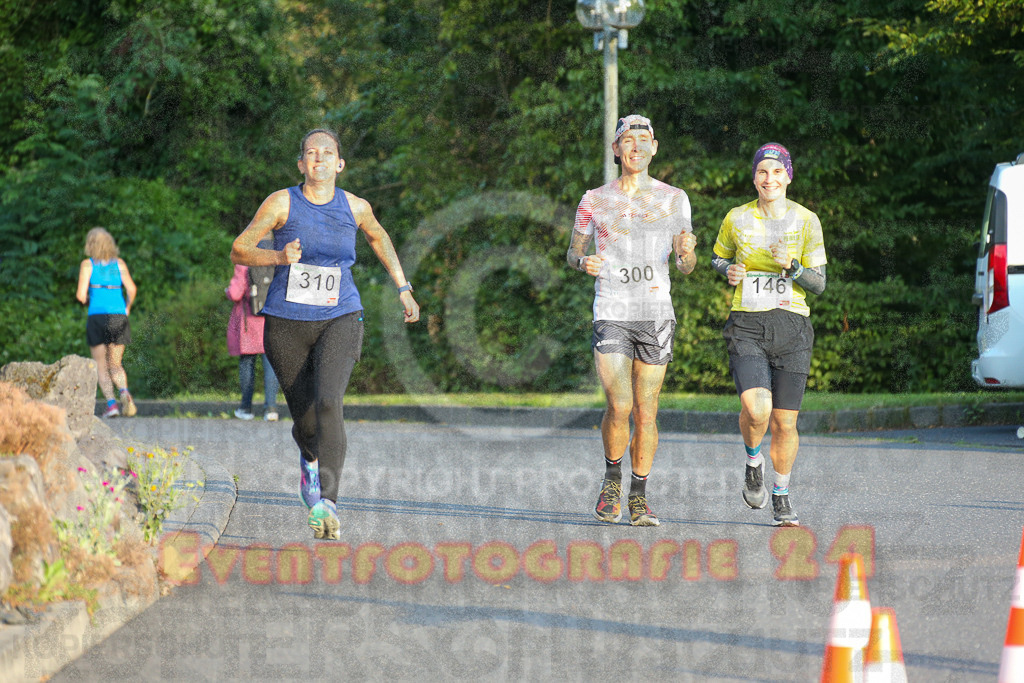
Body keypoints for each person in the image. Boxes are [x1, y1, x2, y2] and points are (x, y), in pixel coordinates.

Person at [231, 128, 420, 540]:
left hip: (341, 315)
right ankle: (309, 458)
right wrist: (278, 256)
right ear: (301, 164)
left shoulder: (355, 206)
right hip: (285, 324)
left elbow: (378, 236)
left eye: (327, 152)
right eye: (310, 153)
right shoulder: (281, 202)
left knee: (330, 403)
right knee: (307, 419)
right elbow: (240, 248)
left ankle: (327, 504)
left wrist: (403, 287)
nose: (318, 158)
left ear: (339, 164)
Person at [566, 115, 697, 527]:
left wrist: (686, 254)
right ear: (617, 150)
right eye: (628, 141)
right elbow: (573, 252)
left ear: (654, 148)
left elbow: (687, 264)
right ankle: (611, 480)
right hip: (612, 309)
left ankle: (638, 495)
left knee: (646, 410)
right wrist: (582, 261)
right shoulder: (594, 199)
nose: (636, 147)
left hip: (656, 312)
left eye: (644, 140)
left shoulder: (674, 199)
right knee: (619, 404)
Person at [710, 142, 827, 526]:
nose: (769, 178)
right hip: (747, 324)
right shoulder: (737, 218)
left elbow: (819, 284)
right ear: (754, 177)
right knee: (757, 409)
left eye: (777, 171)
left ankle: (781, 493)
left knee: (785, 422)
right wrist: (727, 271)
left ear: (788, 176)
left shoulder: (807, 220)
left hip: (793, 328)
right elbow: (718, 257)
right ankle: (752, 459)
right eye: (763, 171)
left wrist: (792, 267)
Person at [75, 227, 138, 418]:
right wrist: (126, 308)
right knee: (115, 364)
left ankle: (111, 405)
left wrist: (89, 300)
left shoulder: (88, 265)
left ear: (90, 245)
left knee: (101, 365)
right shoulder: (119, 264)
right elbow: (132, 289)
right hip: (118, 317)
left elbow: (80, 295)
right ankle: (124, 392)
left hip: (97, 317)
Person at [225, 260, 280, 421]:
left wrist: (228, 291)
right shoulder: (274, 261)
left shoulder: (244, 265)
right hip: (269, 321)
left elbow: (235, 293)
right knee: (270, 365)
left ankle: (246, 408)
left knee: (247, 364)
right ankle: (271, 409)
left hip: (248, 324)